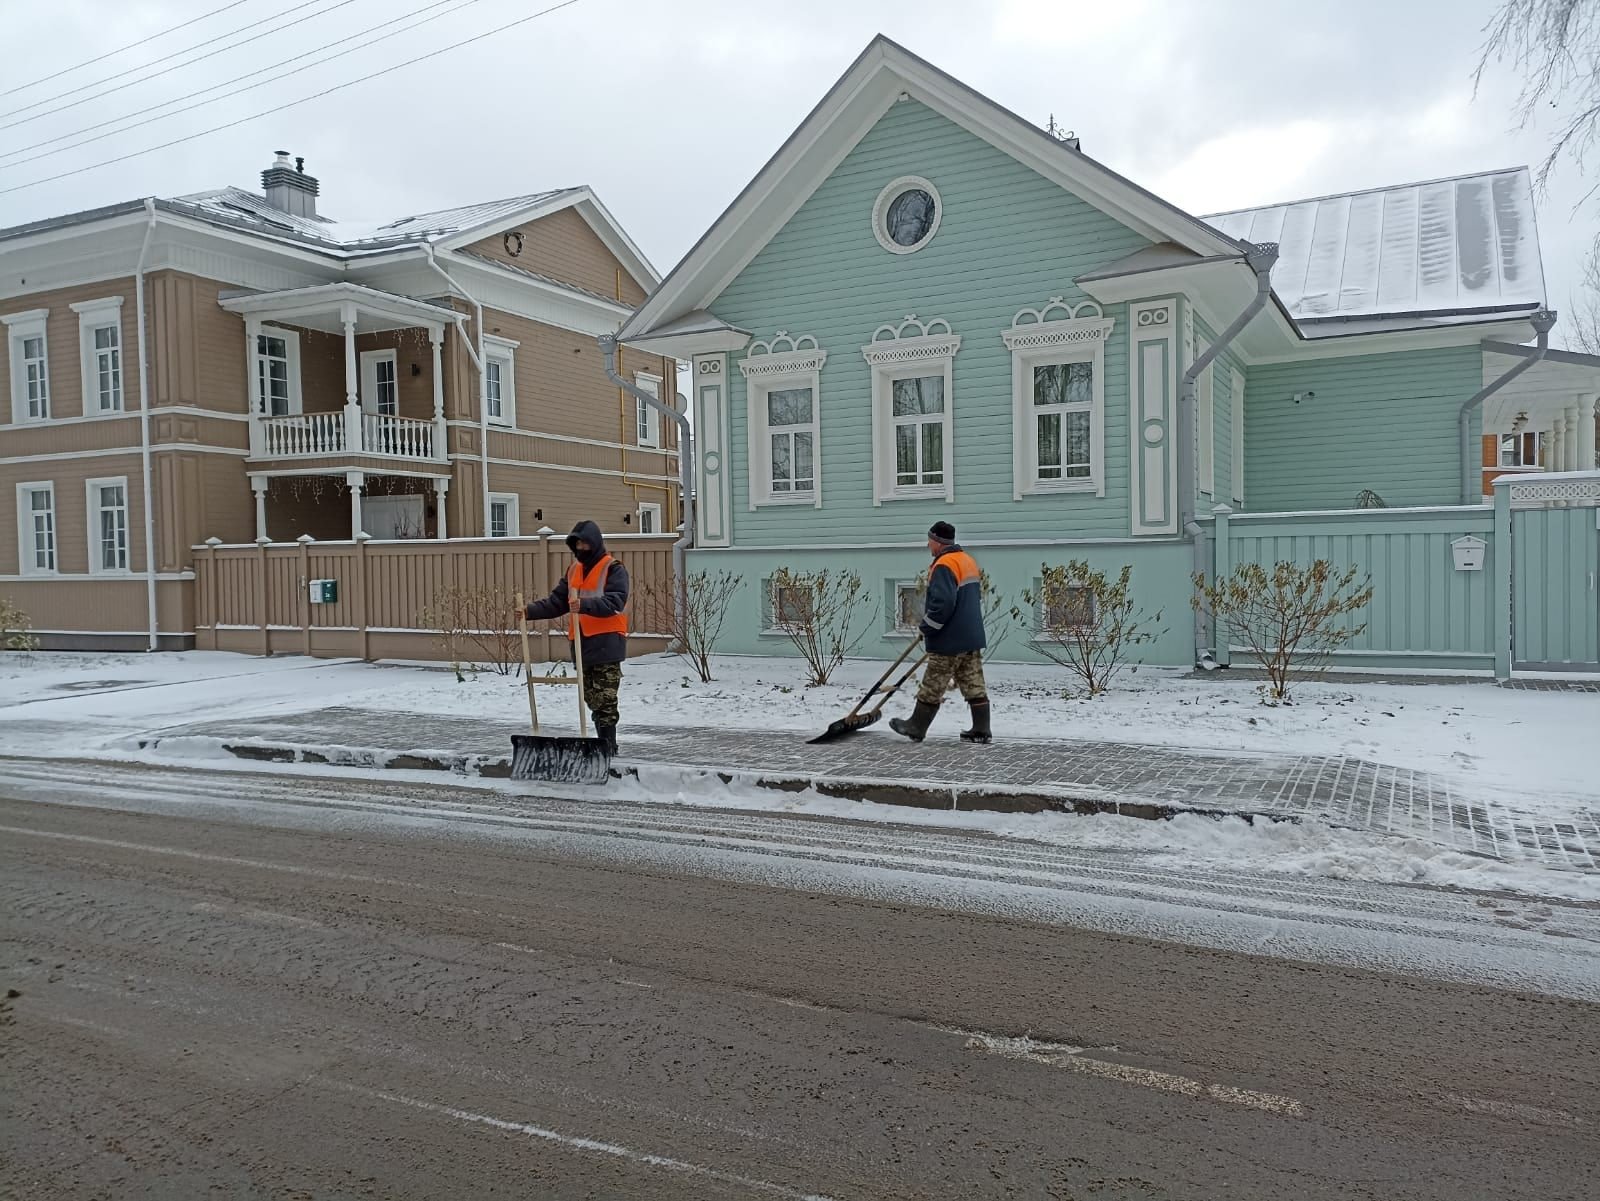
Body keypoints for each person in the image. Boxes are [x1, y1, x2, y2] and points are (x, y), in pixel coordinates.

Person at [523, 520, 630, 756]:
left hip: (607, 642)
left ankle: (608, 747)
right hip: (582, 644)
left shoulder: (613, 568)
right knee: (591, 697)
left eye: (585, 543)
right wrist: (529, 611)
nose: (581, 548)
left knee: (605, 698)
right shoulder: (573, 571)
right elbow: (557, 602)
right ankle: (602, 742)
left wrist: (584, 605)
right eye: (577, 544)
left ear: (595, 543)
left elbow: (616, 601)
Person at [890, 521, 990, 744]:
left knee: (933, 682)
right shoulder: (967, 561)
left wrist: (927, 627)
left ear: (938, 542)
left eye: (930, 540)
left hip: (949, 638)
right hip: (970, 635)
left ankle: (916, 726)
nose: (928, 545)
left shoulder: (944, 564)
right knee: (973, 680)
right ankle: (982, 729)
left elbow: (942, 604)